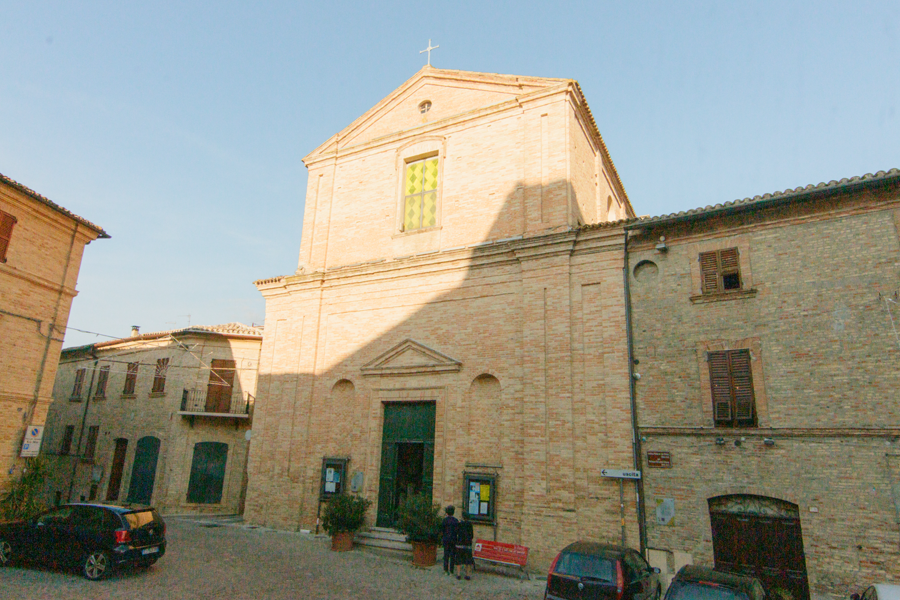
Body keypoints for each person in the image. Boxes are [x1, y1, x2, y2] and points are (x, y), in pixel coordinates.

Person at [454, 511, 474, 580]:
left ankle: (458, 574)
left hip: (460, 544)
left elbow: (456, 532)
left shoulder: (460, 524)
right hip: (467, 544)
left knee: (458, 559)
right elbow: (472, 535)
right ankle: (467, 575)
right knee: (468, 560)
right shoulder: (470, 525)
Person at [440, 505, 458, 575]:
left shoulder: (444, 520)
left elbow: (442, 530)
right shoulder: (456, 521)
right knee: (452, 555)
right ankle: (451, 570)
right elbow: (457, 530)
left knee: (446, 554)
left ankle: (445, 569)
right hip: (453, 539)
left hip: (446, 539)